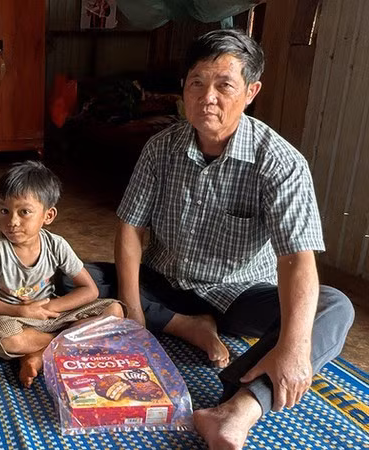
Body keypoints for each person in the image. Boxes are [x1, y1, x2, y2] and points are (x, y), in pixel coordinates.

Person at [84, 29, 354, 449]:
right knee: (70, 273)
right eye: (197, 83)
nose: (207, 96)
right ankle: (185, 325)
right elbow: (130, 230)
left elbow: (297, 261)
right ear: (184, 89)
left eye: (224, 84)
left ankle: (239, 407)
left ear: (250, 92)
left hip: (239, 296)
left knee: (332, 307)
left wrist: (294, 349)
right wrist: (135, 312)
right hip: (166, 284)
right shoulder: (159, 149)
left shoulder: (280, 163)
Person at [0, 161, 124, 388]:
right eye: (5, 211)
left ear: (48, 215)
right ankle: (63, 343)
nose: (12, 221)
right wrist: (20, 310)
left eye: (24, 212)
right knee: (5, 337)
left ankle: (38, 353)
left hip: (52, 316)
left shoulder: (55, 245)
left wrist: (50, 308)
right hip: (14, 320)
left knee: (115, 310)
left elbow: (89, 290)